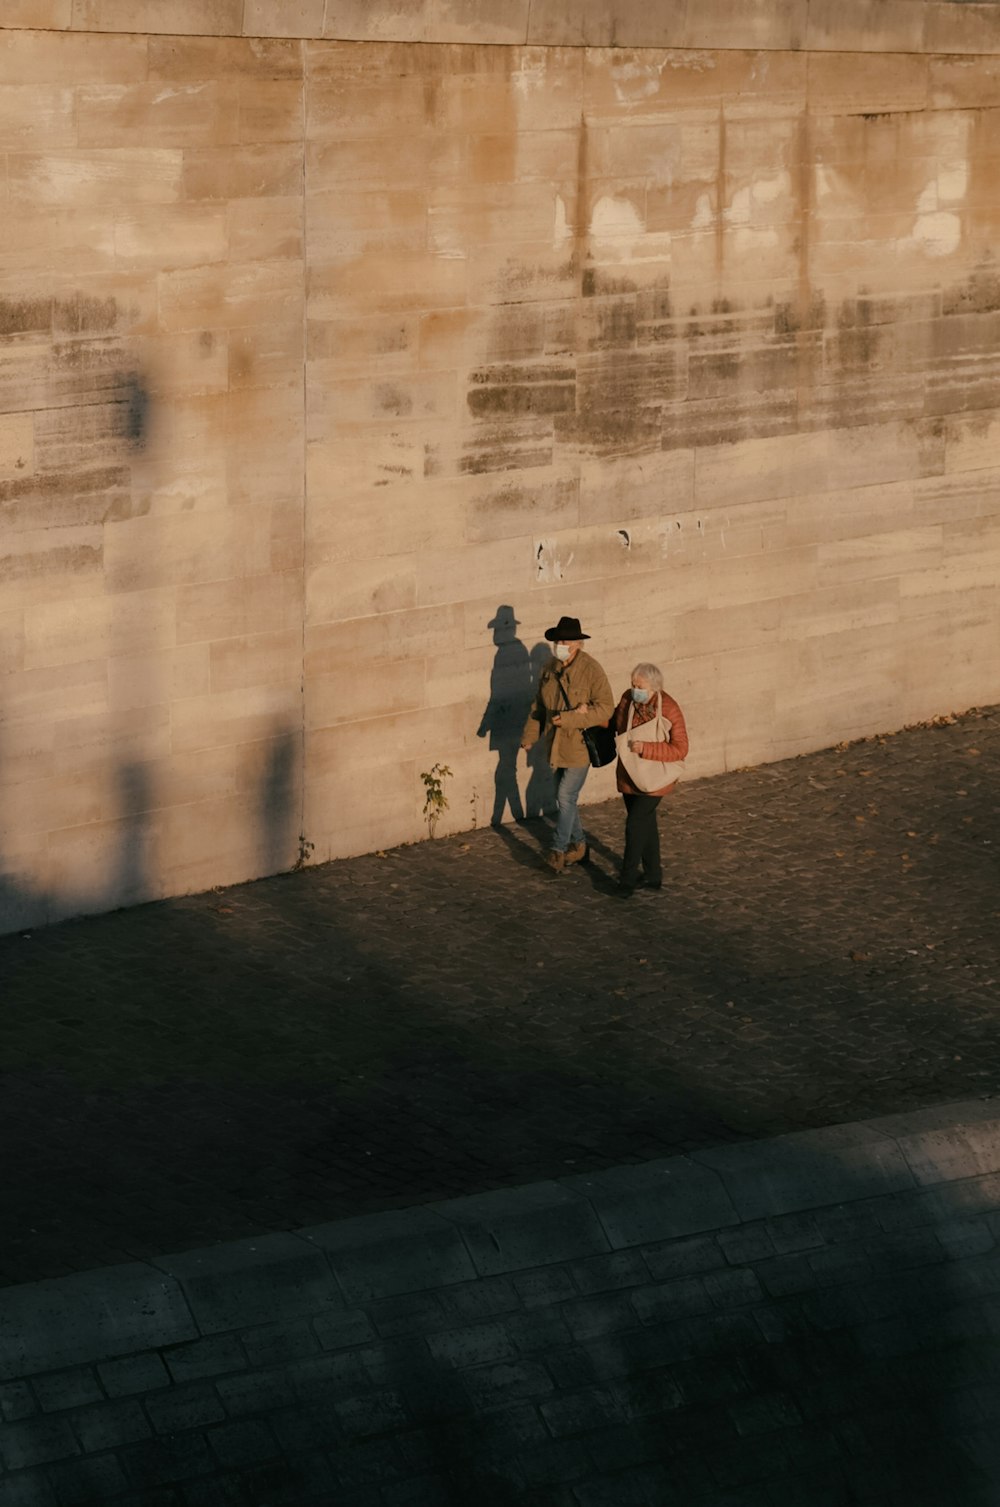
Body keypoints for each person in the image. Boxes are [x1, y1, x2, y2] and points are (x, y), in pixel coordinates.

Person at [520, 615, 613, 873]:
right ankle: (580, 845)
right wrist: (529, 737)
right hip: (554, 745)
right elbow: (538, 706)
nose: (562, 645)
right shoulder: (549, 668)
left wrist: (572, 718)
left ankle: (558, 849)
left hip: (579, 745)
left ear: (579, 644)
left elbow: (606, 709)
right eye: (559, 640)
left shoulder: (592, 670)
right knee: (565, 800)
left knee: (565, 795)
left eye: (567, 641)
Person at [612, 662, 688, 897]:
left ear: (654, 687)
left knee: (635, 826)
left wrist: (646, 748)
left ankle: (627, 880)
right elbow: (616, 723)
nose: (635, 689)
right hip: (630, 774)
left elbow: (680, 749)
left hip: (656, 778)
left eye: (640, 686)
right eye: (633, 685)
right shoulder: (628, 699)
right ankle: (653, 875)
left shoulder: (670, 708)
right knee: (646, 825)